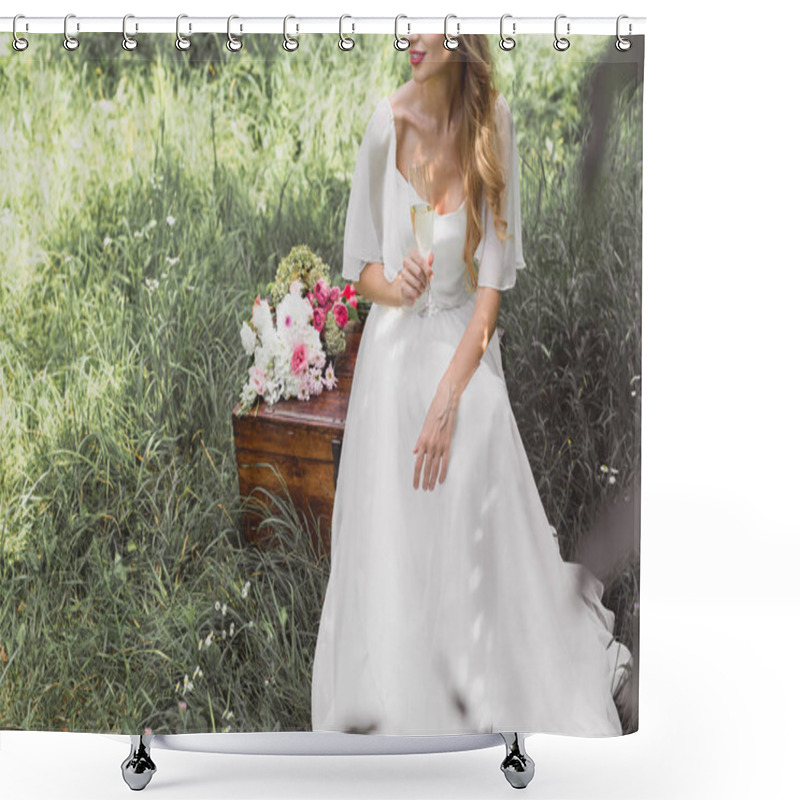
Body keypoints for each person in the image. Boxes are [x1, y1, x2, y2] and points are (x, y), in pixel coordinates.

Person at [310, 33, 632, 736]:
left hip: (462, 345)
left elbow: (489, 298)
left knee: (480, 417)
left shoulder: (495, 122)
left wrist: (450, 397)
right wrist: (394, 288)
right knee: (400, 424)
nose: (407, 36)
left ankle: (486, 644)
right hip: (394, 348)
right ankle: (408, 671)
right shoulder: (383, 126)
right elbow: (358, 271)